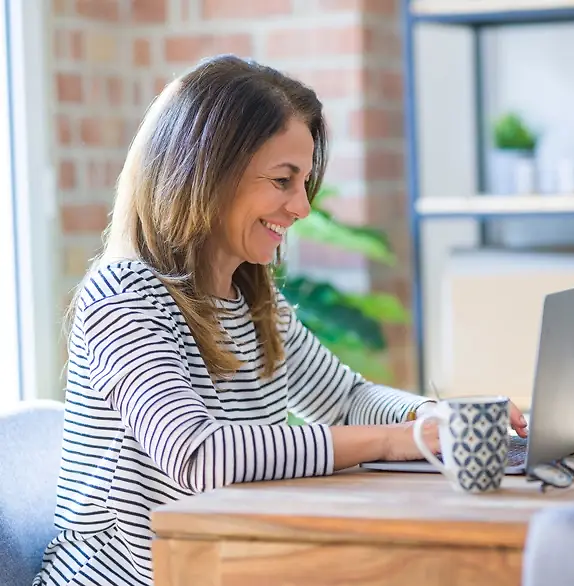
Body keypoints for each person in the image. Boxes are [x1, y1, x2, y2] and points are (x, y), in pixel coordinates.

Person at [33, 55, 528, 586]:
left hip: (228, 567)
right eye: (282, 180)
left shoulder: (251, 300)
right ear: (207, 174)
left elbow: (346, 399)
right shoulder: (124, 296)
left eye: (304, 182)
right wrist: (394, 440)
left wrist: (440, 418)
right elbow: (200, 456)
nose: (302, 207)